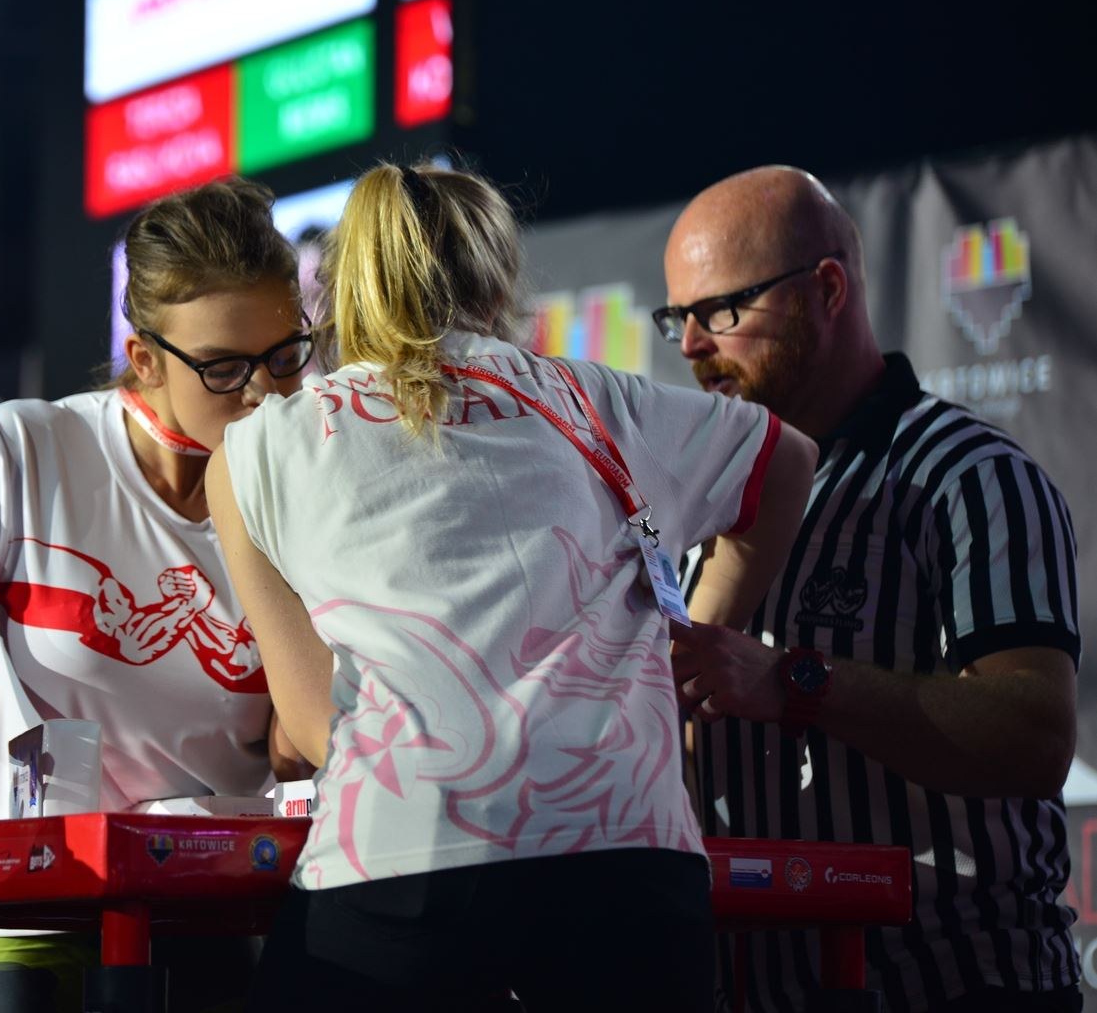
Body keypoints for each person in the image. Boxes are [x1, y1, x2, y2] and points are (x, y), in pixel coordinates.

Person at [206, 162, 819, 1011]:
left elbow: (315, 725)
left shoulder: (258, 451)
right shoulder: (594, 399)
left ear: (340, 293)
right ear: (497, 284)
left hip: (402, 854)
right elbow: (787, 460)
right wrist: (694, 643)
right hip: (625, 852)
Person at [0, 177, 313, 1012]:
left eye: (284, 358)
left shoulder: (305, 483)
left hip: (216, 907)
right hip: (29, 907)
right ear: (144, 359)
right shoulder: (27, 448)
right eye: (224, 368)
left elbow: (290, 746)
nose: (263, 396)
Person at [660, 166, 1082, 1012]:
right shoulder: (704, 502)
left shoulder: (968, 476)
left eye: (722, 310)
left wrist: (794, 681)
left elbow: (1035, 738)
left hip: (958, 989)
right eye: (678, 317)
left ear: (825, 290)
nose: (690, 345)